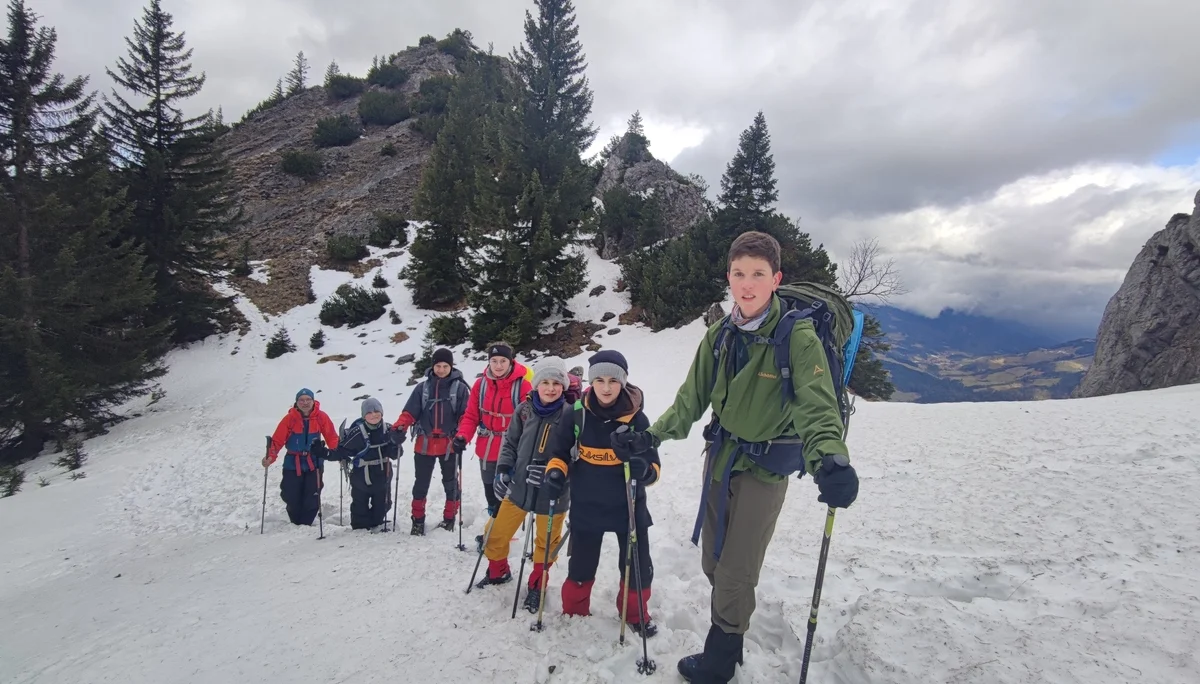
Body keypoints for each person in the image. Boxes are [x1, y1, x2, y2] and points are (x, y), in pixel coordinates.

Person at [613, 231, 860, 683]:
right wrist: (650, 436)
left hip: (765, 468)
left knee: (735, 571)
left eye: (758, 274)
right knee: (713, 561)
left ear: (776, 279)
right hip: (720, 458)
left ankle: (721, 658)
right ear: (728, 276)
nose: (747, 285)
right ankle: (733, 629)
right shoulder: (720, 335)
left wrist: (830, 459)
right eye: (739, 274)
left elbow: (817, 407)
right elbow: (690, 401)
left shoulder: (797, 338)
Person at [545, 350, 659, 637]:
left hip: (628, 507)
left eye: (613, 381)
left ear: (623, 382)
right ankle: (574, 611)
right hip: (587, 504)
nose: (606, 388)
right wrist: (556, 472)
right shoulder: (576, 414)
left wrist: (643, 470)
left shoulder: (637, 419)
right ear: (591, 382)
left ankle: (635, 614)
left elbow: (654, 466)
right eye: (599, 380)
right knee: (581, 564)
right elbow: (558, 452)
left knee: (637, 565)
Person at [474, 357, 571, 614]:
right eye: (545, 382)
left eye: (556, 383)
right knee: (495, 533)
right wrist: (503, 470)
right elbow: (510, 443)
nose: (551, 388)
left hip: (553, 494)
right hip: (518, 487)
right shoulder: (524, 410)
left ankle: (537, 585)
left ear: (563, 385)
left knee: (546, 543)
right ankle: (498, 571)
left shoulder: (571, 415)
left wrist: (556, 472)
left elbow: (576, 454)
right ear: (536, 384)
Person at [452, 342, 531, 530]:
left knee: (508, 493)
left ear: (511, 361)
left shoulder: (523, 386)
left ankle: (501, 533)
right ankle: (495, 528)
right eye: (494, 361)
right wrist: (462, 436)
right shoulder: (480, 385)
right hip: (486, 449)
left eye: (503, 361)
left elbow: (529, 421)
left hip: (512, 449)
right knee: (491, 493)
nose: (498, 365)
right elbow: (471, 415)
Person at [392, 348, 471, 535]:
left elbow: (466, 416)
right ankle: (417, 520)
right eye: (438, 366)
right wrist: (399, 427)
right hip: (424, 443)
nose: (441, 370)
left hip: (449, 444)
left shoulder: (460, 389)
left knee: (451, 483)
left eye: (445, 366)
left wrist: (462, 436)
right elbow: (409, 412)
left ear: (451, 366)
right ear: (433, 366)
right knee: (421, 484)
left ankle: (449, 518)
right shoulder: (422, 388)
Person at [264, 388, 340, 526]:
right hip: (293, 462)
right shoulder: (290, 419)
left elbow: (332, 437)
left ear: (313, 401)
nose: (305, 403)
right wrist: (270, 457)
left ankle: (306, 524)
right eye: (301, 400)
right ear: (296, 402)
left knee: (312, 494)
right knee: (290, 493)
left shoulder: (321, 417)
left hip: (314, 462)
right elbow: (277, 440)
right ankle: (295, 522)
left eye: (308, 400)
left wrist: (338, 454)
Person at [328, 397, 401, 531]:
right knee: (359, 507)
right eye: (369, 412)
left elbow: (396, 454)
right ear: (363, 415)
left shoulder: (389, 430)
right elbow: (342, 451)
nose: (374, 415)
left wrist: (396, 444)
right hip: (361, 477)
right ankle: (360, 528)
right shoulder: (357, 433)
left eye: (377, 411)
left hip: (383, 475)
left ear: (382, 413)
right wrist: (324, 453)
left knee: (384, 505)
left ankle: (374, 523)